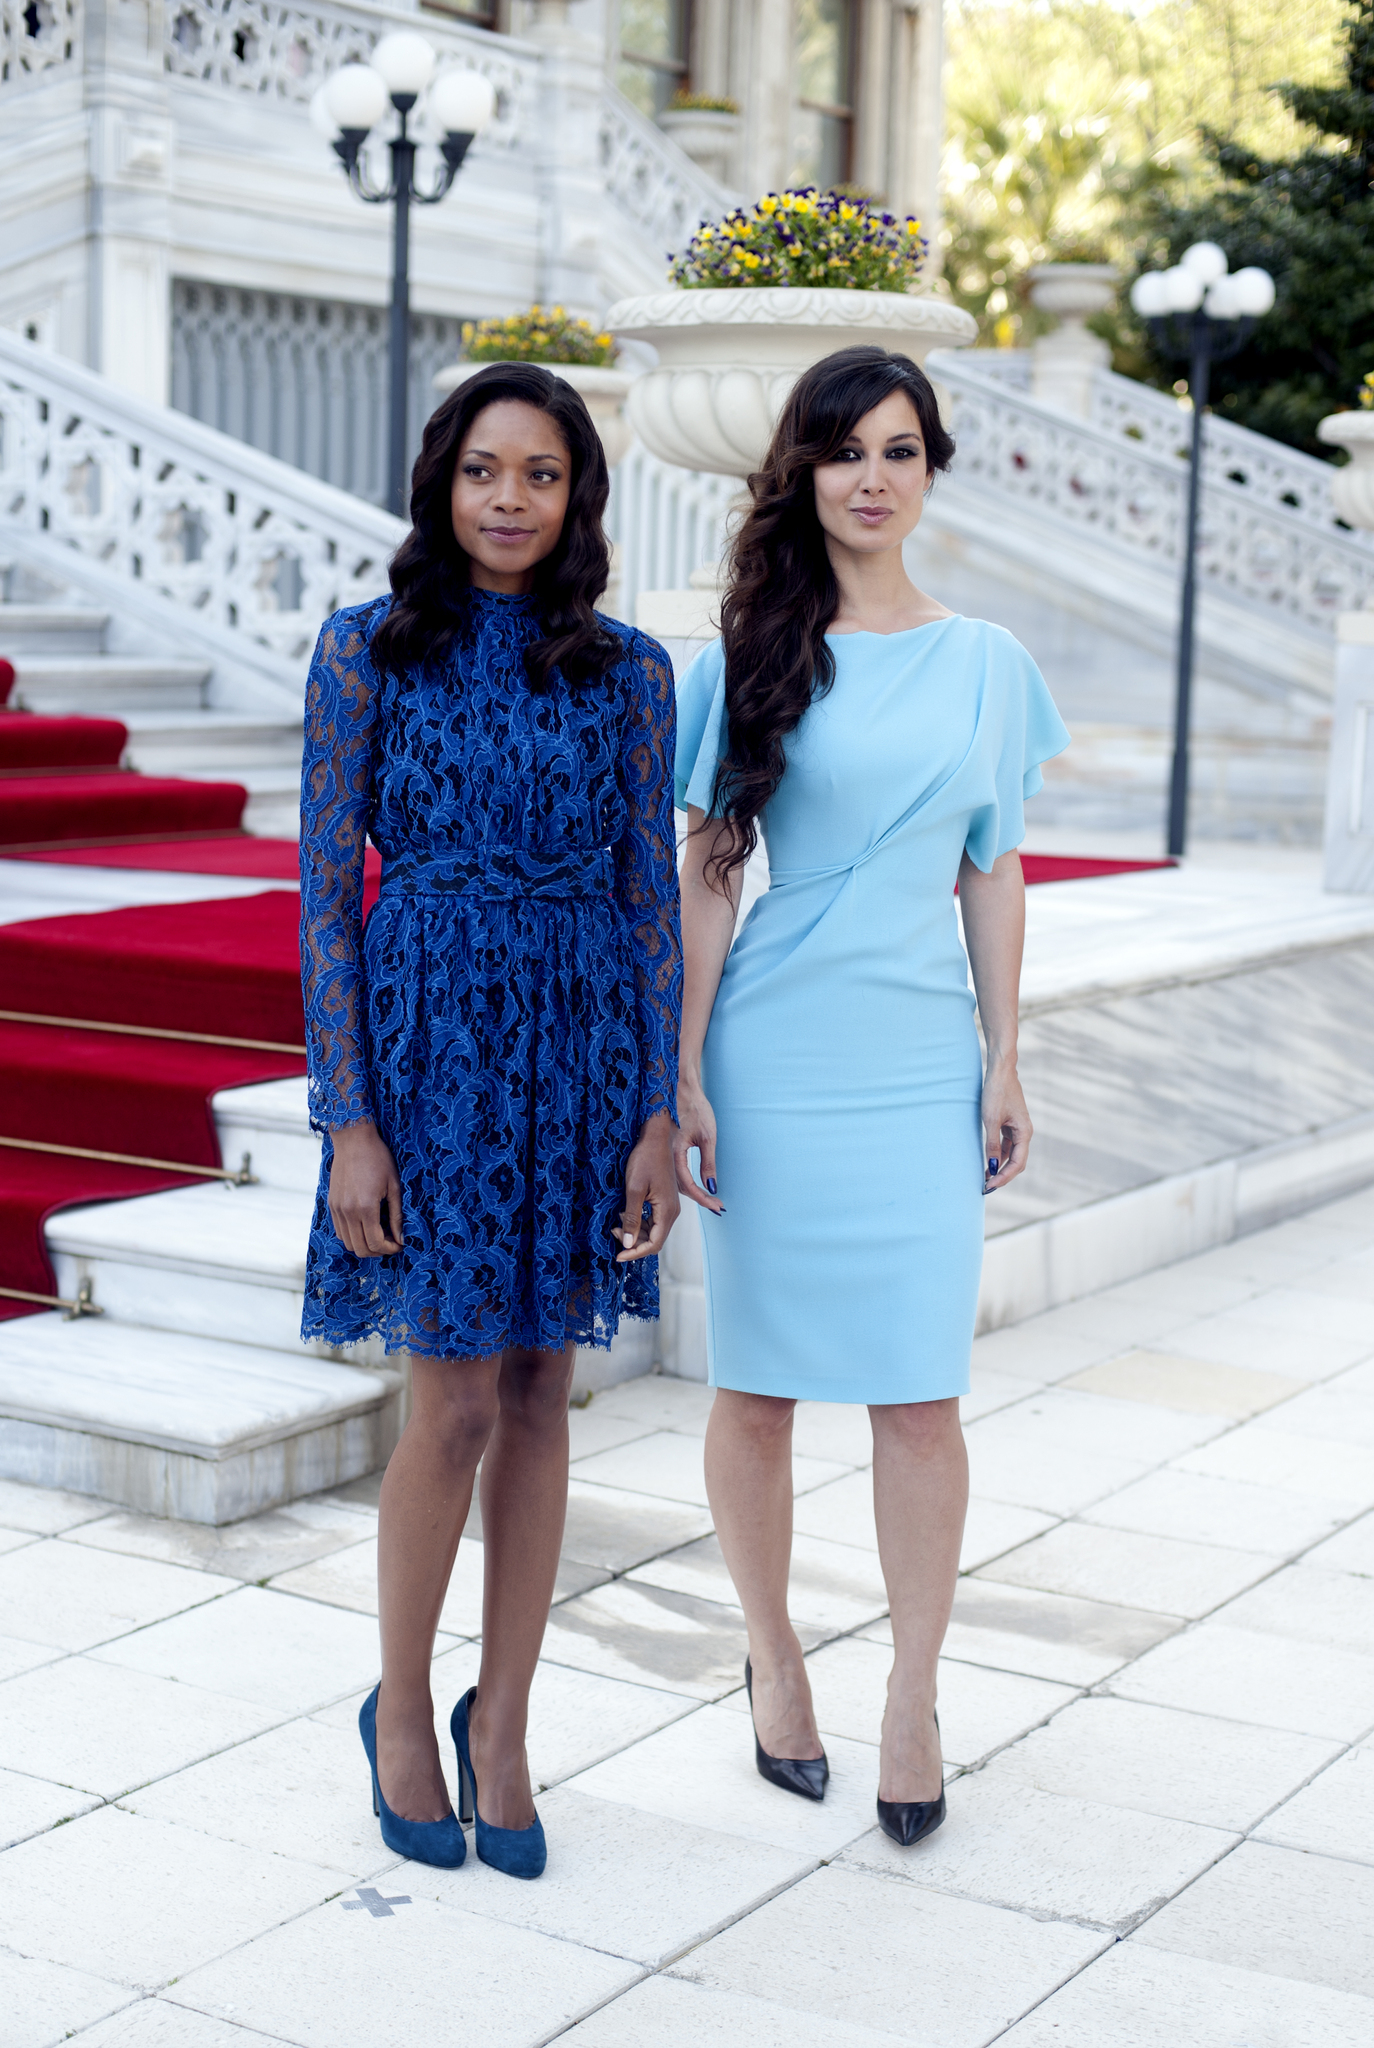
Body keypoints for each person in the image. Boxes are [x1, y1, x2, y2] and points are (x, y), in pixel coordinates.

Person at [673, 345, 1068, 1847]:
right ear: (805, 470)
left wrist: (1003, 1053)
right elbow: (710, 873)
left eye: (898, 450)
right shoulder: (745, 657)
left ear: (927, 470)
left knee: (918, 1395)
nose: (870, 476)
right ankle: (774, 1661)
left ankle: (912, 1693)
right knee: (757, 1387)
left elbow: (990, 865)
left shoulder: (985, 664)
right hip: (773, 1052)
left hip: (913, 1060)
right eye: (843, 450)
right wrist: (686, 1060)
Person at [298, 362, 682, 1877]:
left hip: (581, 1047)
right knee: (449, 1401)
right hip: (429, 1044)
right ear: (438, 486)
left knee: (540, 1398)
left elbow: (650, 899)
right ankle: (399, 1713)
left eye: (538, 473)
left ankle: (502, 1722)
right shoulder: (363, 653)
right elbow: (327, 900)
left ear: (579, 493)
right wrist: (350, 1121)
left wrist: (654, 1114)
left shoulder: (630, 673)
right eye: (480, 471)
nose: (508, 499)